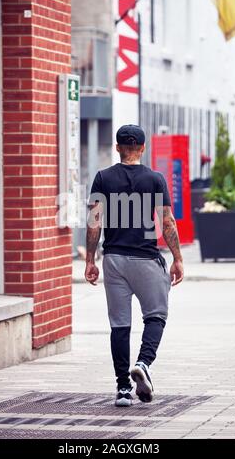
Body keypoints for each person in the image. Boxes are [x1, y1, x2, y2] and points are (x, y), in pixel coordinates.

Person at [85, 124, 184, 407]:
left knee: (120, 326)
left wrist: (91, 260)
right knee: (156, 316)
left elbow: (94, 222)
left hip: (114, 260)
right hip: (146, 259)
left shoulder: (103, 178)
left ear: (118, 148)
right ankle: (143, 362)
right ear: (143, 148)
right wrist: (177, 258)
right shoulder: (154, 179)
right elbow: (167, 222)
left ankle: (122, 390)